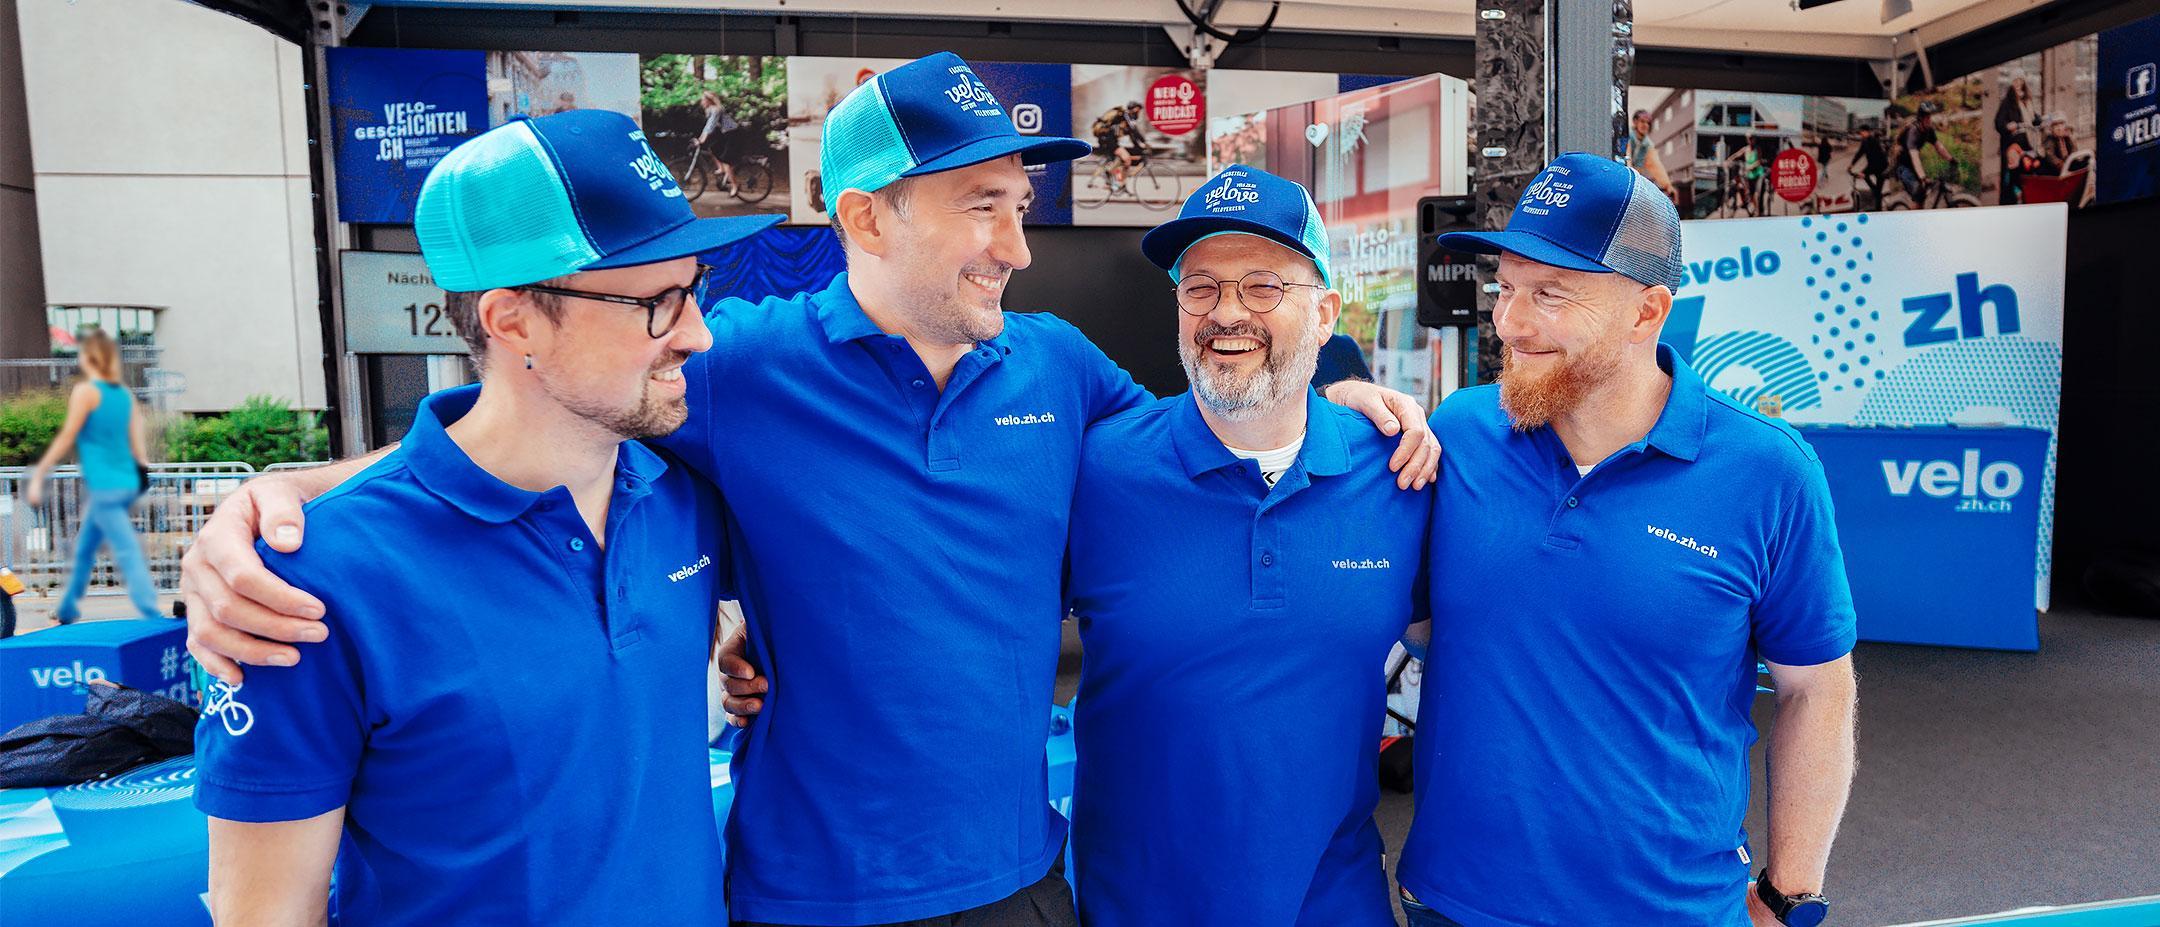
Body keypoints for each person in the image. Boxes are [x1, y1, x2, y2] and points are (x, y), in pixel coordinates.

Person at [178, 52, 1438, 927]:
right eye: (983, 206)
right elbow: (535, 430)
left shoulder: (1059, 370)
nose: (1016, 242)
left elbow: (1206, 445)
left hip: (1024, 882)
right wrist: (287, 500)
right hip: (806, 895)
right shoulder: (731, 368)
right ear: (868, 219)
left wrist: (1342, 404)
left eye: (1019, 206)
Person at [192, 109, 780, 926]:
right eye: (657, 302)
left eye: (695, 290)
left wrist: (765, 640)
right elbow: (263, 911)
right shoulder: (305, 582)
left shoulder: (682, 498)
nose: (699, 334)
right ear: (513, 321)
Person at [1400, 152, 1859, 927]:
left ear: (1648, 310)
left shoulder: (1769, 471)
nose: (1509, 321)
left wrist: (1791, 893)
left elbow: (1817, 688)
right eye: (1505, 288)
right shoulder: (1460, 432)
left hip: (1666, 909)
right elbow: (1414, 620)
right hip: (1457, 903)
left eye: (1549, 293)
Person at [1064, 165, 1430, 926]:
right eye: (1200, 287)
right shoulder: (1096, 467)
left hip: (1332, 899)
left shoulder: (1399, 472)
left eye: (1263, 286)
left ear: (1326, 312)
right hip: (1136, 905)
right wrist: (758, 648)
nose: (1227, 313)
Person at [25, 328, 160, 624]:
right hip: (126, 482)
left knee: (125, 548)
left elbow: (67, 436)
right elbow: (139, 449)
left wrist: (39, 474)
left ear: (90, 357)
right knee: (85, 547)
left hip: (105, 485)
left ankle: (150, 610)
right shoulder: (124, 395)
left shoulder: (87, 391)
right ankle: (67, 607)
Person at [1895, 104, 1954, 202]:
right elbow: (1914, 156)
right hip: (1904, 167)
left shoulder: (1928, 130)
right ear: (1921, 118)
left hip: (1914, 167)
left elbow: (1939, 146)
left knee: (1923, 196)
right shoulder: (1913, 131)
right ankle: (1912, 217)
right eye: (1927, 117)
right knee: (1918, 195)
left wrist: (1951, 159)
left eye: (1930, 117)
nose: (1929, 120)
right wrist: (1922, 177)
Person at [1994, 75, 2039, 205]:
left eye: (2020, 80)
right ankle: (2008, 203)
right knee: (2011, 176)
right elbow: (1999, 123)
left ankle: (2026, 199)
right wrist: (2008, 126)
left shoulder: (2027, 101)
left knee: (2027, 171)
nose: (2018, 83)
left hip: (2026, 144)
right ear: (2011, 83)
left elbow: (2033, 118)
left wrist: (2040, 120)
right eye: (2015, 81)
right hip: (2012, 145)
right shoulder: (2007, 102)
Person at [1623, 109, 1678, 200]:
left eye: (1648, 123)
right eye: (1642, 122)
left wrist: (1667, 185)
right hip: (1623, 174)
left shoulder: (1647, 145)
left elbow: (1656, 165)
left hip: (1633, 181)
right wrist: (1631, 176)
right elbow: (1627, 155)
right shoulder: (1627, 136)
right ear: (1635, 122)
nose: (1645, 125)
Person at [1091, 101, 1148, 188]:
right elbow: (1134, 131)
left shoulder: (1126, 118)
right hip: (1107, 140)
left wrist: (1139, 146)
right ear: (1134, 109)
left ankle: (1118, 183)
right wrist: (1144, 142)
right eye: (1138, 110)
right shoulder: (1125, 116)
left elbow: (1132, 135)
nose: (1139, 112)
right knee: (1127, 158)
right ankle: (1112, 178)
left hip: (1109, 141)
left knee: (1122, 161)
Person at [696, 89, 742, 195]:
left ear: (708, 101)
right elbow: (708, 126)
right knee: (713, 147)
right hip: (726, 134)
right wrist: (701, 138)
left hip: (733, 134)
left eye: (703, 100)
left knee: (727, 161)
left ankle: (735, 185)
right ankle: (721, 168)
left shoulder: (716, 109)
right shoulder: (711, 110)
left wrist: (702, 139)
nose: (701, 102)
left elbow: (711, 125)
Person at [1845, 123, 1889, 210]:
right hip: (1874, 166)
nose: (1860, 134)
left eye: (1861, 132)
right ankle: (1875, 192)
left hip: (1881, 167)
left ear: (1866, 132)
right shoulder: (1865, 141)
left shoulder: (1873, 141)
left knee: (1876, 190)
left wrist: (1865, 172)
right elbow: (1859, 153)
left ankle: (1878, 210)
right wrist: (1851, 164)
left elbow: (1876, 158)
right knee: (1875, 189)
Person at [1722, 134, 1766, 216]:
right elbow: (1736, 155)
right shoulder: (1745, 149)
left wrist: (1751, 166)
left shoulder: (1757, 149)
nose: (1750, 140)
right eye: (1749, 139)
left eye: (1752, 138)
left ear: (1754, 139)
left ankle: (1758, 212)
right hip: (1749, 174)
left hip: (1757, 173)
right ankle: (1748, 205)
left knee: (1757, 193)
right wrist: (1728, 160)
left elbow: (1759, 161)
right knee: (1747, 190)